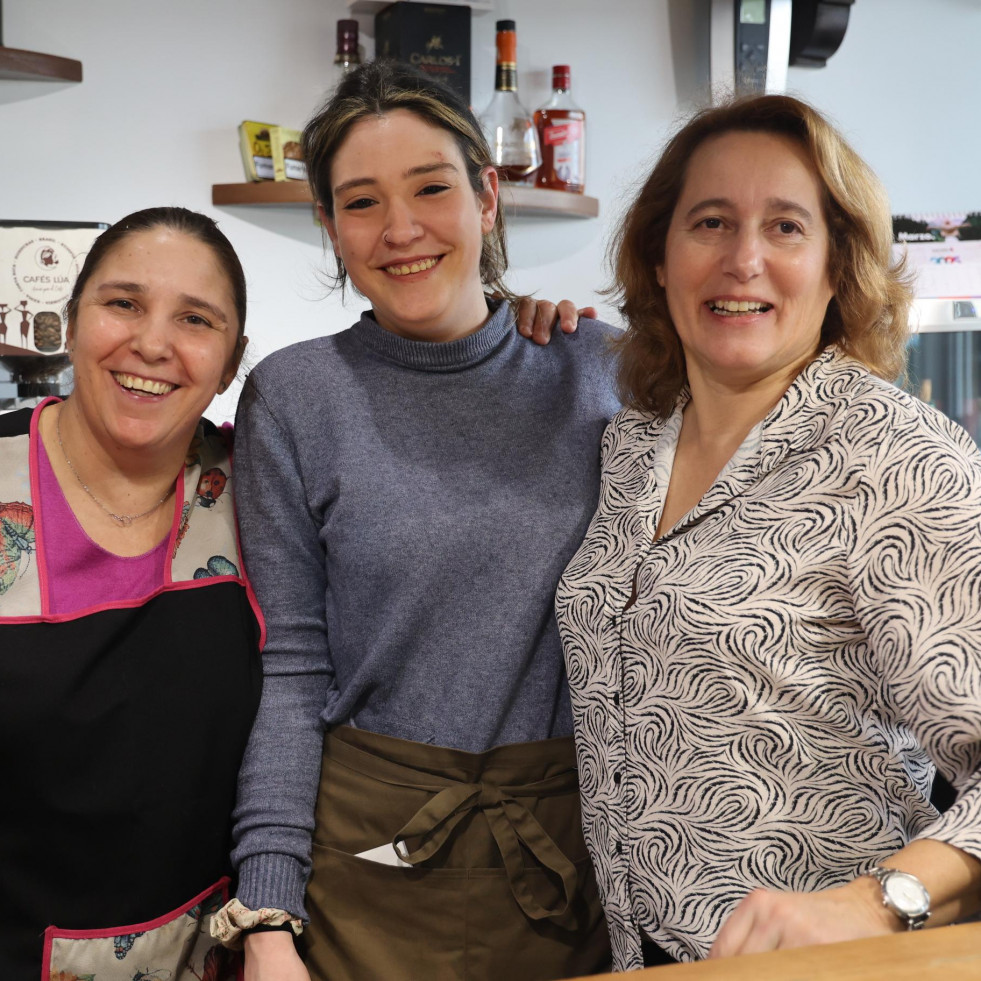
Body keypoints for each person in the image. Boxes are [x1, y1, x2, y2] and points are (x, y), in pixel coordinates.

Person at [555, 94, 981, 970]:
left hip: (840, 959)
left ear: (835, 267)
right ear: (659, 259)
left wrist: (880, 900)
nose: (742, 259)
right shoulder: (633, 441)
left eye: (785, 227)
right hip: (652, 953)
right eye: (709, 221)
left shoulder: (896, 455)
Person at [223, 61, 619, 981]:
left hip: (570, 858)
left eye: (431, 188)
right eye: (360, 203)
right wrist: (267, 914)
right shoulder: (292, 396)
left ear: (487, 194)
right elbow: (292, 670)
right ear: (328, 226)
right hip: (366, 862)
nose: (400, 230)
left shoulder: (597, 372)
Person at [0, 206, 263, 980]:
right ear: (73, 321)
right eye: (123, 303)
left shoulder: (262, 490)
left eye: (195, 318)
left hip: (218, 955)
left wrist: (511, 323)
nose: (152, 342)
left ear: (232, 359)